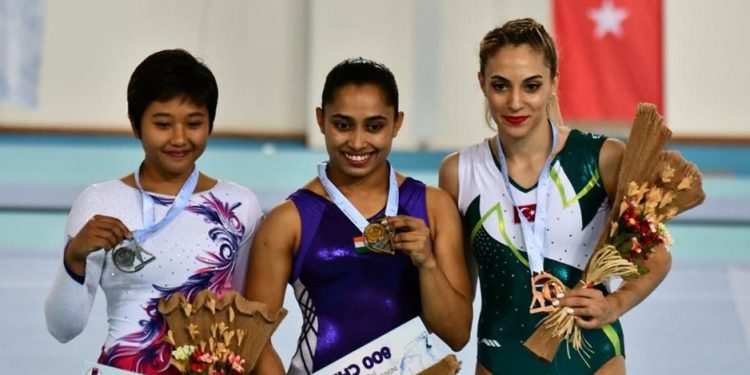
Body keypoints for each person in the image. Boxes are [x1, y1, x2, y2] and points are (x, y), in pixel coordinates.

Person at [439, 18, 672, 375]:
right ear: (482, 83)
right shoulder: (459, 172)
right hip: (500, 360)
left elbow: (656, 257)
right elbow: (459, 298)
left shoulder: (602, 159)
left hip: (593, 358)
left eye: (531, 86)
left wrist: (615, 305)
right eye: (501, 85)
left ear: (553, 84)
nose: (516, 102)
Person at [244, 58, 472, 374]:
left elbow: (457, 334)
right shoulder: (289, 221)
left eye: (375, 126)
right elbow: (253, 339)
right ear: (321, 120)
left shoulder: (433, 207)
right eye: (343, 124)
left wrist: (428, 263)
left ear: (397, 123)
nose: (357, 141)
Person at [44, 49, 263, 374]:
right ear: (135, 125)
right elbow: (63, 329)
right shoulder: (99, 202)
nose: (179, 138)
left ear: (210, 124)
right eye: (162, 124)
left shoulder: (240, 206)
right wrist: (73, 257)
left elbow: (245, 319)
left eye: (194, 123)